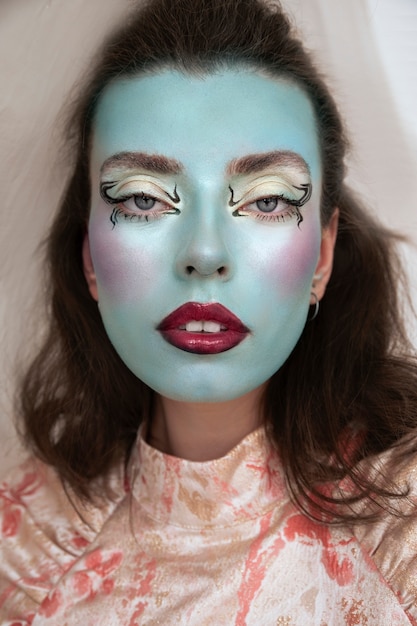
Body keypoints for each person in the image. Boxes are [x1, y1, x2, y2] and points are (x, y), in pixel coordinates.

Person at [1, 0, 417, 623]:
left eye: (267, 201)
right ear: (89, 256)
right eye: (143, 199)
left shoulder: (403, 536)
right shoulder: (22, 549)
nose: (203, 254)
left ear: (323, 255)